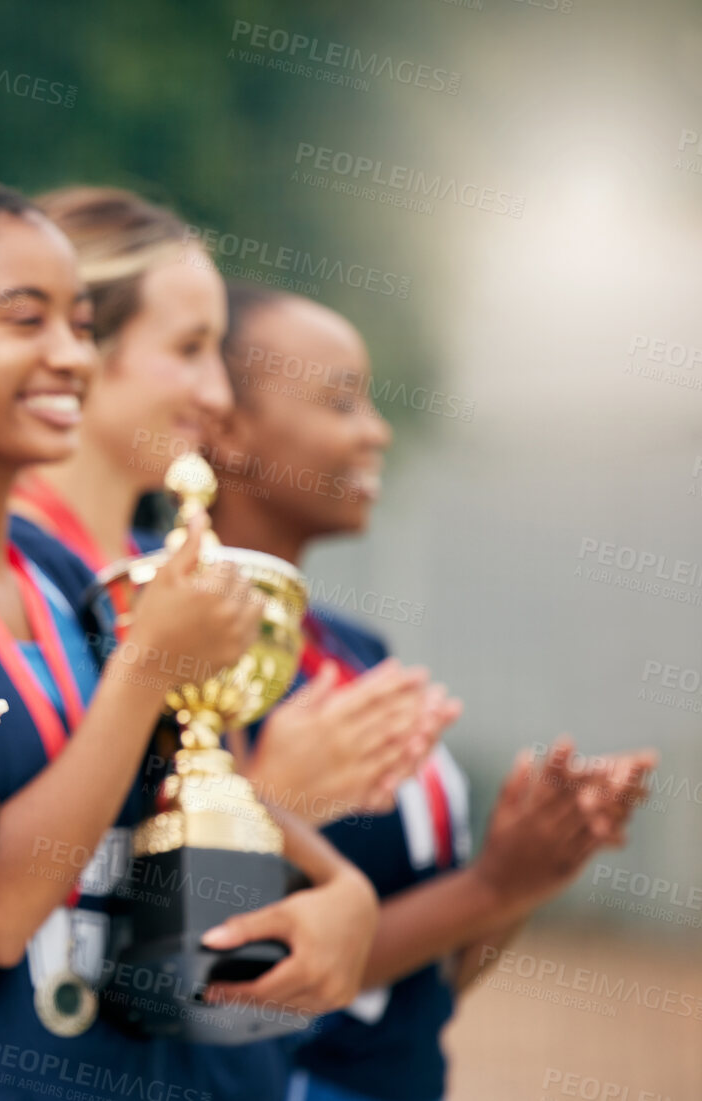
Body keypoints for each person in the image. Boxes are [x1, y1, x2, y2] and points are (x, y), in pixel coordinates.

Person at [0, 157, 380, 1101]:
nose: (69, 356)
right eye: (24, 320)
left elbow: (159, 794)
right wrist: (146, 666)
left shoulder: (57, 578)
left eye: (81, 325)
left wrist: (340, 887)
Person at [206, 282, 656, 1101]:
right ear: (225, 428)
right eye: (341, 402)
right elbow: (231, 962)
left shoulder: (355, 650)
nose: (376, 431)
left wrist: (529, 868)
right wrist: (493, 886)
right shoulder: (180, 648)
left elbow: (422, 991)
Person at [10, 186, 451, 829]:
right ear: (82, 342)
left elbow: (212, 903)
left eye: (217, 355)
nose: (218, 396)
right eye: (189, 351)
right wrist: (279, 802)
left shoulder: (183, 582)